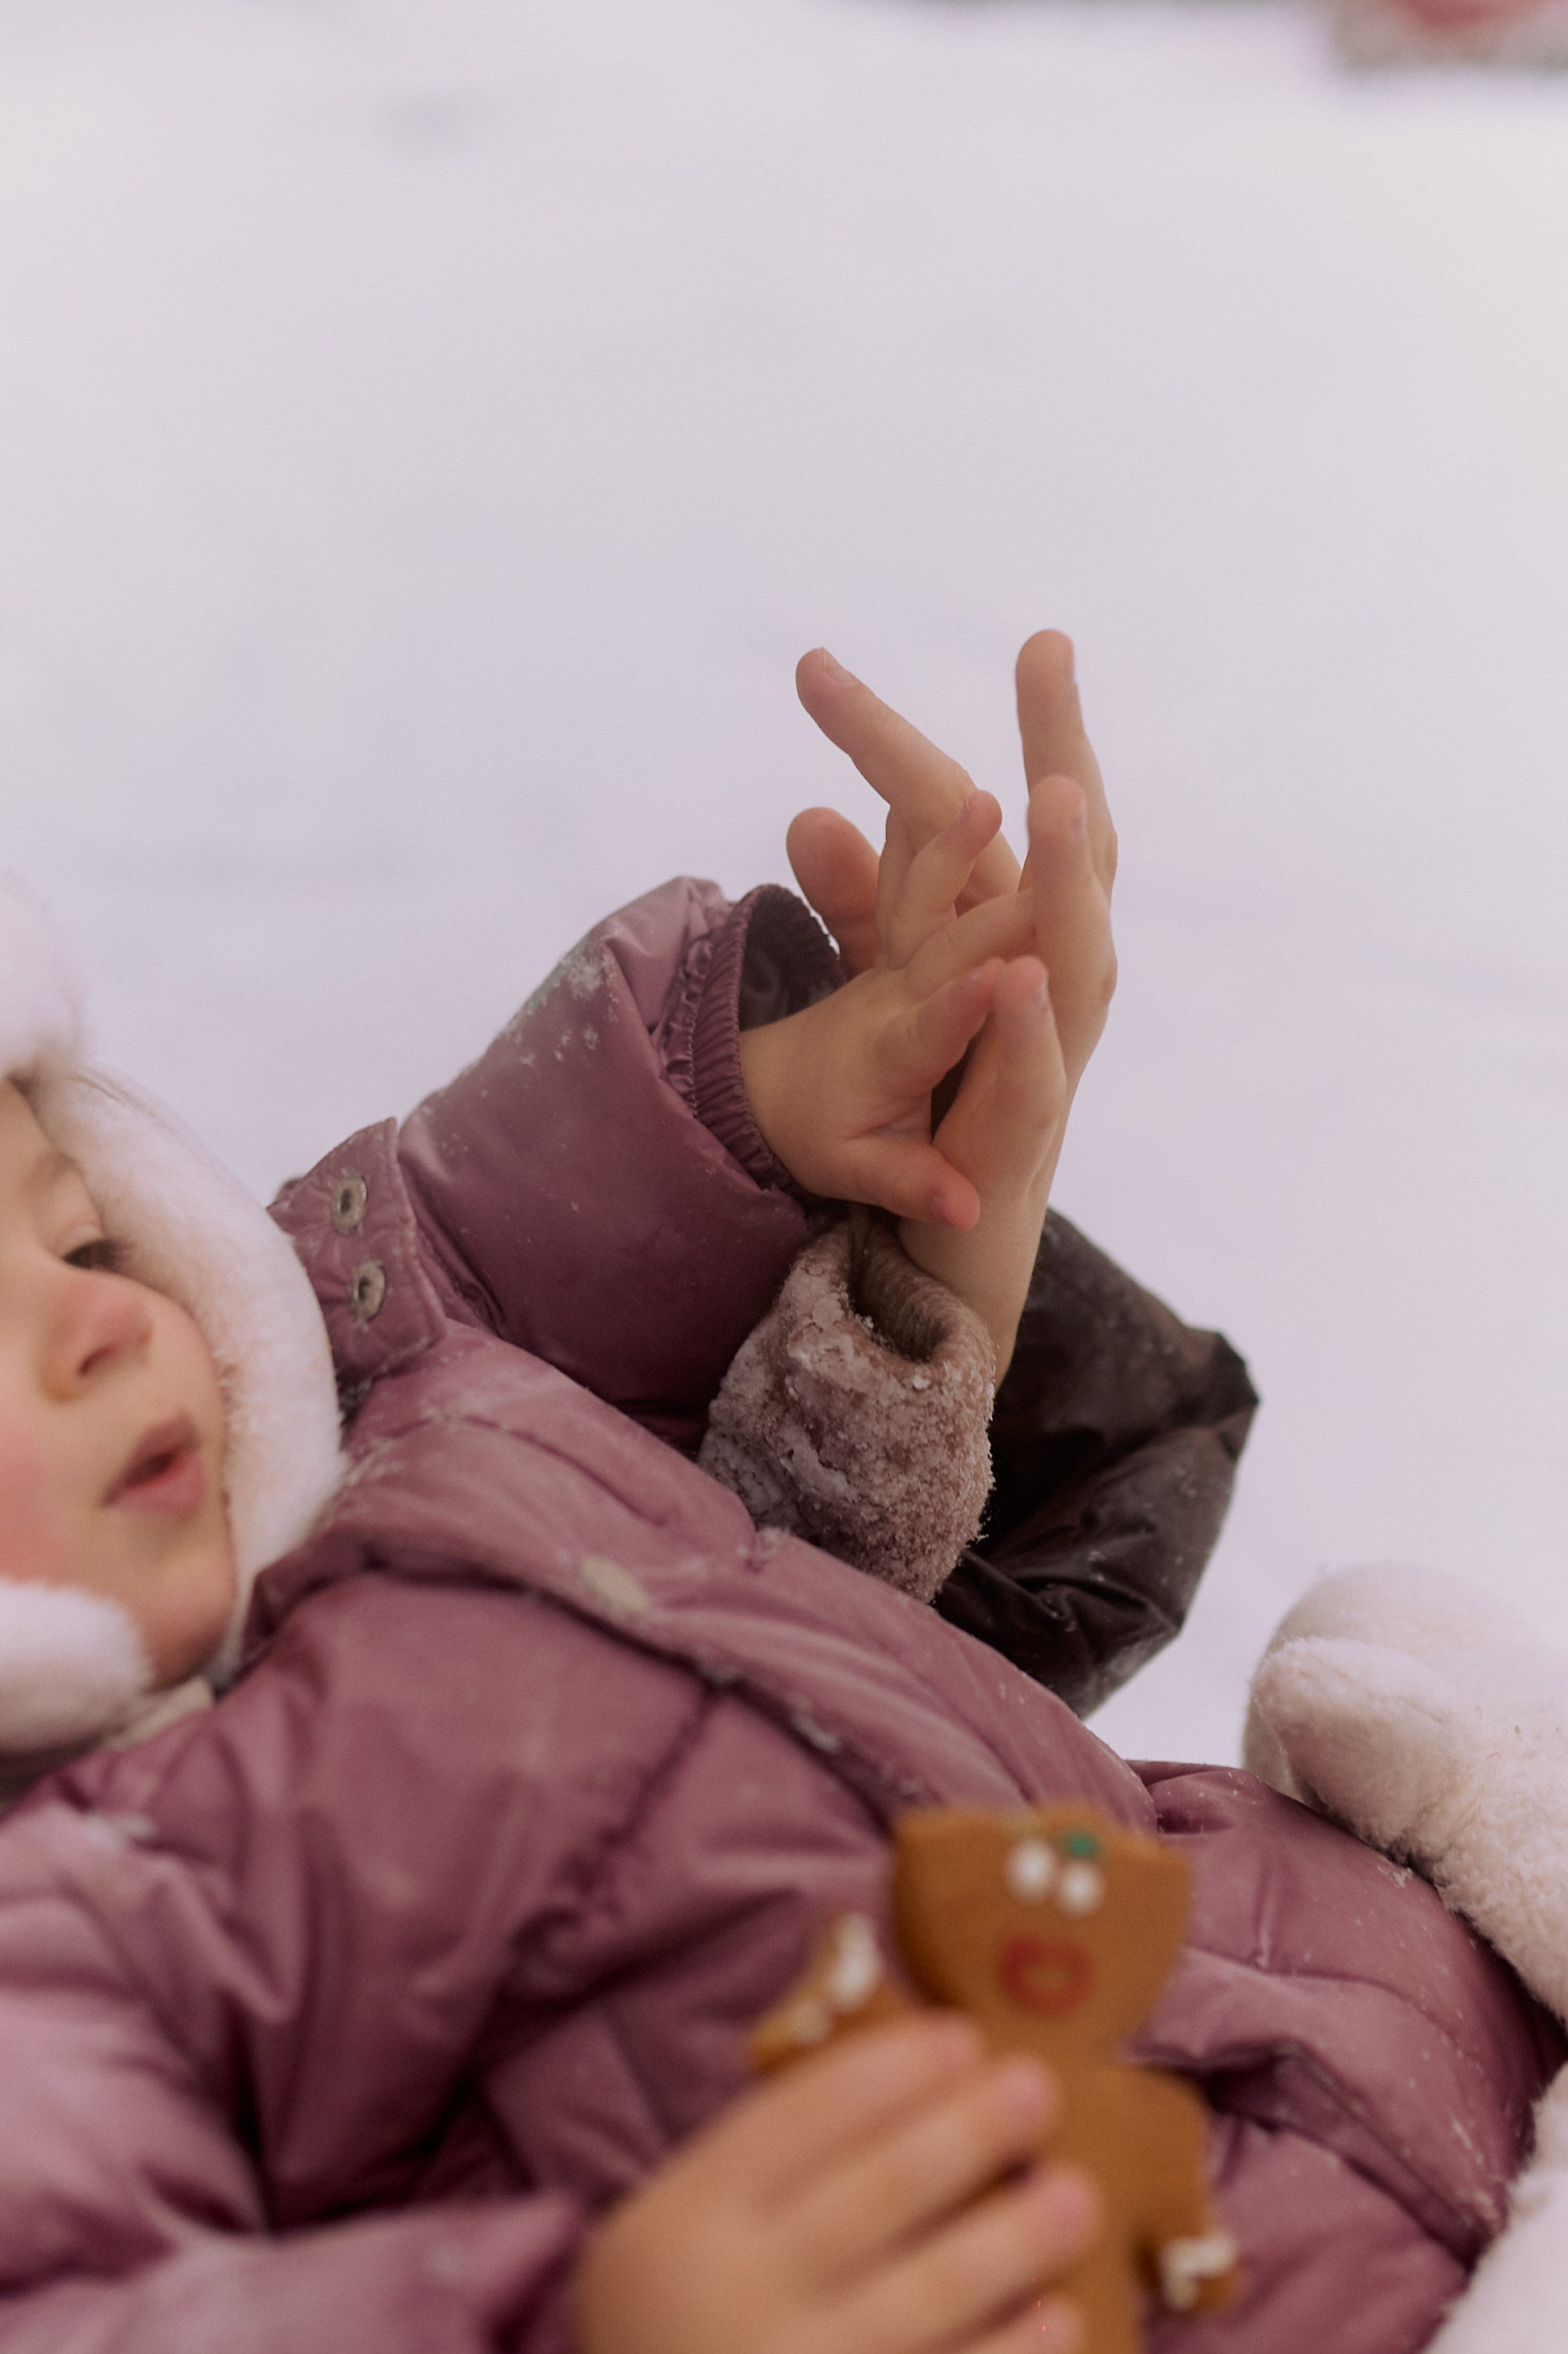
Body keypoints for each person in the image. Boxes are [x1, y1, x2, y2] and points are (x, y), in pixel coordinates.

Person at [0, 637, 1548, 2354]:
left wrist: (914, 1208)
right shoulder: (64, 1945)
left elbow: (770, 1580)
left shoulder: (403, 1426)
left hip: (1429, 2047)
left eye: (76, 1230)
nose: (95, 1319)